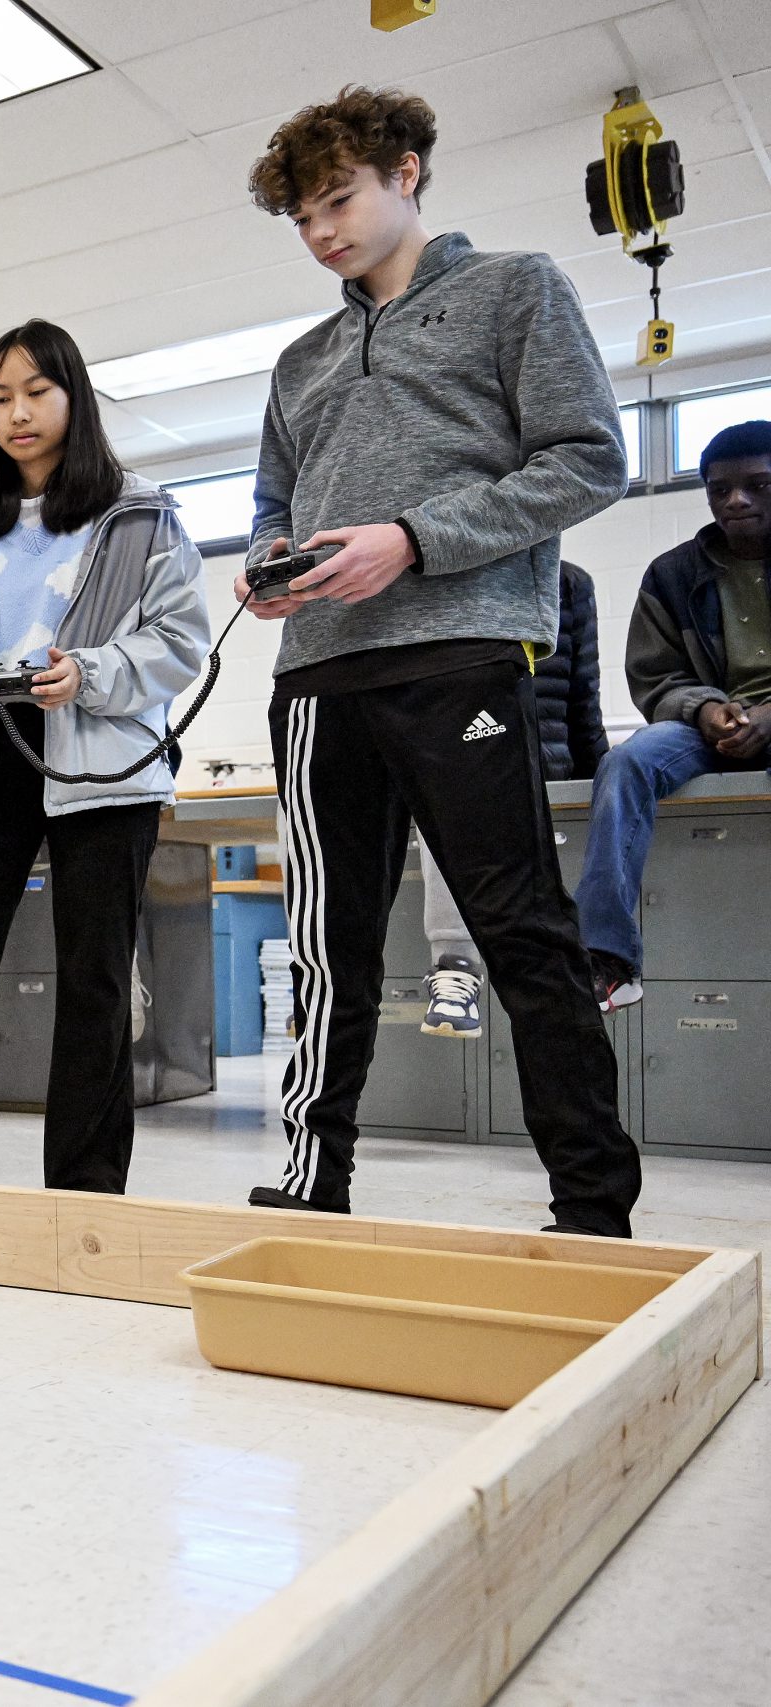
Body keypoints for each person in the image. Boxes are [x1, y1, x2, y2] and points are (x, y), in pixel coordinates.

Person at [236, 87, 639, 1237]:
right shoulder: (298, 359)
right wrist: (272, 563)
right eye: (301, 218)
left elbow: (587, 462)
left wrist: (413, 540)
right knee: (327, 945)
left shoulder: (515, 290)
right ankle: (315, 1175)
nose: (321, 234)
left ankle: (592, 1201)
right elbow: (277, 499)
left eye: (338, 201)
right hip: (317, 679)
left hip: (460, 656)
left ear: (405, 174)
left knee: (518, 928)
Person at [0, 320, 207, 1192]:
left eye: (36, 392)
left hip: (100, 768)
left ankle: (85, 1191)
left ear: (73, 397)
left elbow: (181, 643)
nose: (17, 413)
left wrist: (90, 673)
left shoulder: (141, 514)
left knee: (95, 982)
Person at [574, 421, 771, 1010]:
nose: (736, 501)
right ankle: (607, 957)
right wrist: (707, 709)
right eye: (719, 490)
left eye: (759, 486)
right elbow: (655, 678)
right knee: (628, 761)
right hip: (709, 723)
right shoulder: (673, 572)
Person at [413, 559, 608, 1039]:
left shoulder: (569, 583)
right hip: (443, 750)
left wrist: (598, 788)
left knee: (461, 778)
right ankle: (325, 975)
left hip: (535, 761)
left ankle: (456, 963)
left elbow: (585, 697)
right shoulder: (429, 569)